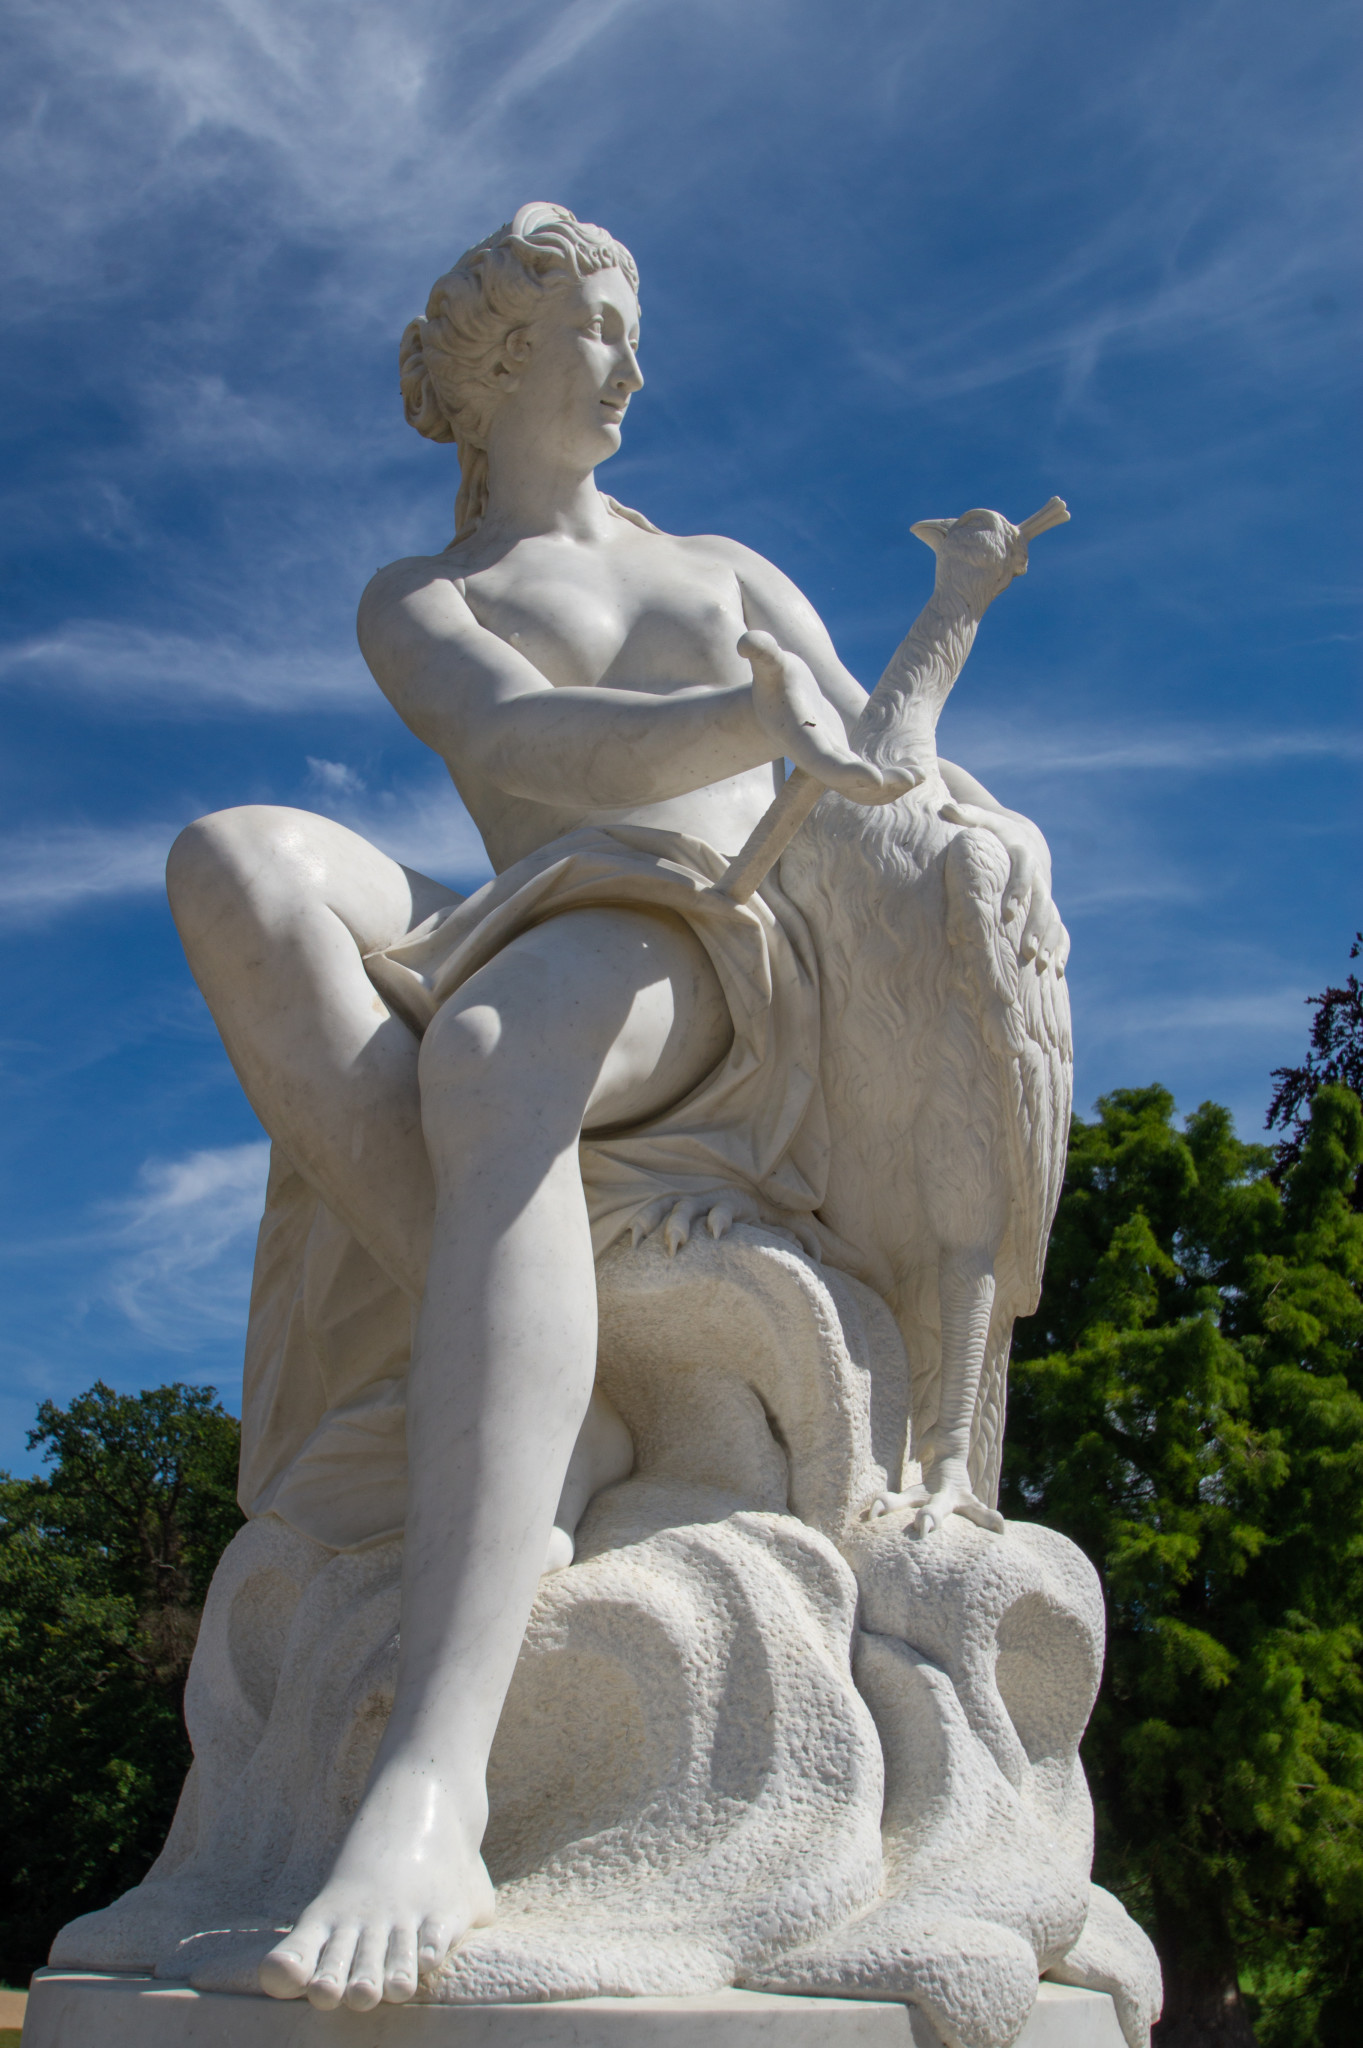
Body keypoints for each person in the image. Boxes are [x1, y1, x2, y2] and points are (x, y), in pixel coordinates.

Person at [166, 203, 1048, 2013]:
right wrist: (754, 717)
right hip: (524, 910)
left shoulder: (720, 564)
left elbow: (883, 776)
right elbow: (528, 751)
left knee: (495, 1054)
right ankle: (531, 1395)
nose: (636, 370)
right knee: (234, 862)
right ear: (497, 368)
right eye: (601, 333)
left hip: (713, 959)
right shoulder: (426, 600)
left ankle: (436, 1777)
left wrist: (935, 637)